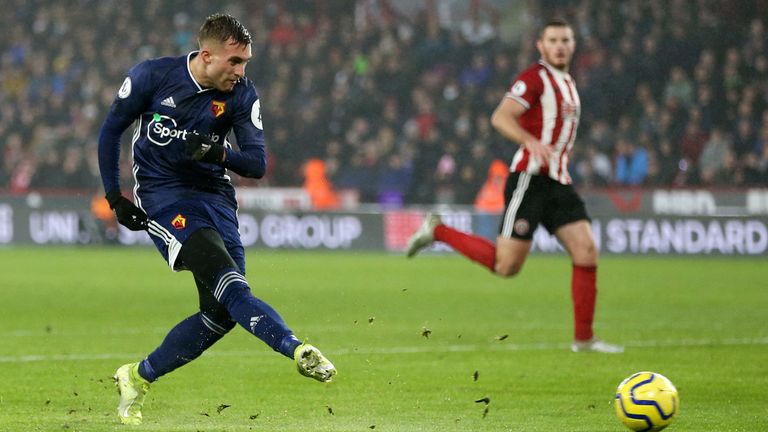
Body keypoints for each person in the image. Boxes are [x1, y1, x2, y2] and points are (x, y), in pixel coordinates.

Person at [98, 14, 336, 425]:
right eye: (235, 62)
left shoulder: (242, 95)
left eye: (246, 62)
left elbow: (257, 164)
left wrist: (217, 152)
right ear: (207, 56)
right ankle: (296, 350)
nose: (241, 72)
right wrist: (114, 197)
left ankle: (136, 376)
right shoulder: (152, 77)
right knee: (230, 283)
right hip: (165, 199)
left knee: (221, 312)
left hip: (216, 200)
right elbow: (110, 131)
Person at [406, 19, 622, 354]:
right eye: (553, 40)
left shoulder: (567, 82)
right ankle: (439, 231)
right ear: (541, 45)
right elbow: (501, 116)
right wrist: (528, 141)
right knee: (507, 266)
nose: (560, 46)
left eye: (566, 40)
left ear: (574, 44)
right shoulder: (534, 78)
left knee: (586, 251)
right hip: (530, 180)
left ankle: (584, 340)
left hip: (559, 181)